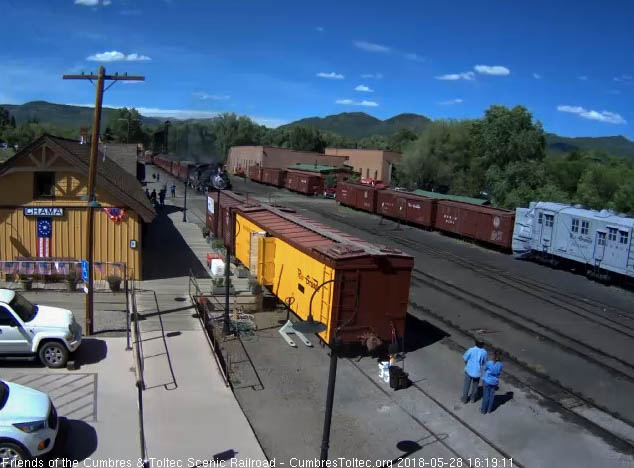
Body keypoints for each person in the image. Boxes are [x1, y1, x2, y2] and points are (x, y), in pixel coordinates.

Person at [461, 339, 487, 403]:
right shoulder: (484, 352)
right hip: (478, 372)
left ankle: (464, 399)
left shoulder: (471, 350)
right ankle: (473, 399)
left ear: (475, 343)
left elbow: (465, 358)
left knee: (466, 385)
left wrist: (467, 364)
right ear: (482, 345)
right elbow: (484, 362)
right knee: (475, 386)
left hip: (469, 370)